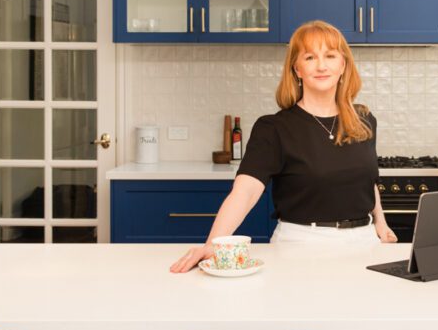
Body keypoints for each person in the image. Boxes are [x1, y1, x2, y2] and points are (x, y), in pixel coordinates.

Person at [170, 20, 397, 273]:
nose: (322, 66)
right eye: (310, 57)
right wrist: (212, 243)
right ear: (297, 69)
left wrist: (381, 224)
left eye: (330, 56)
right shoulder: (274, 128)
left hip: (364, 244)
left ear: (343, 65)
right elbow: (245, 193)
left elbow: (367, 180)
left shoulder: (363, 119)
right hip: (301, 246)